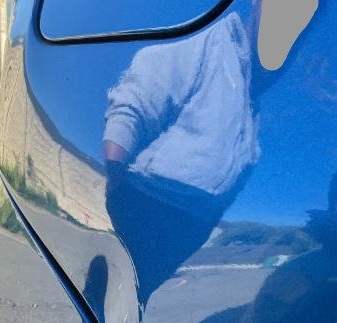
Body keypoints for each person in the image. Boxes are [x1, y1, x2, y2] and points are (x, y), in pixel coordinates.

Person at [102, 1, 281, 306]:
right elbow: (135, 103)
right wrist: (115, 180)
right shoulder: (210, 44)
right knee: (109, 304)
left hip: (193, 225)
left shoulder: (252, 93)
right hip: (151, 204)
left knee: (141, 307)